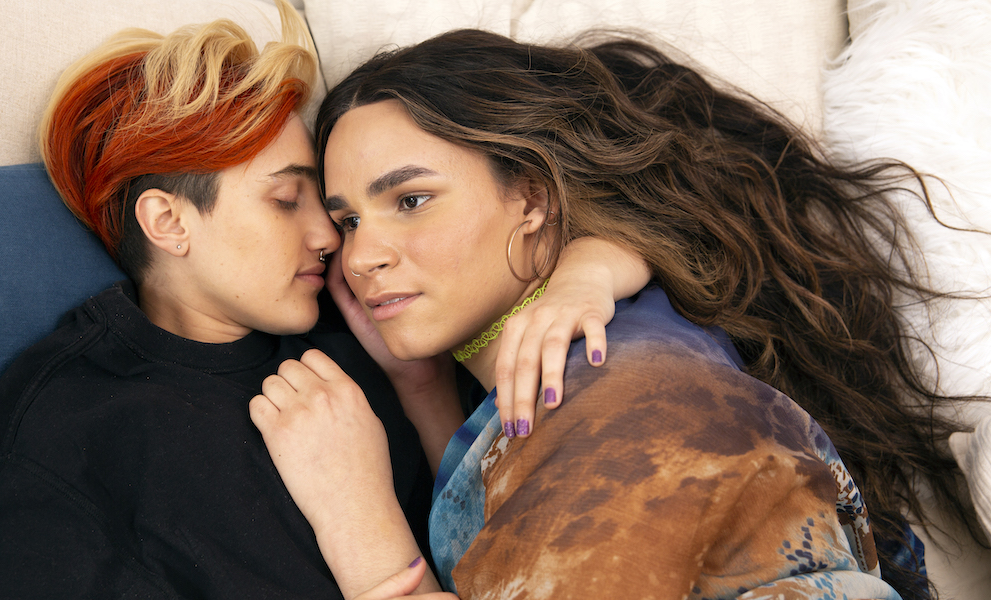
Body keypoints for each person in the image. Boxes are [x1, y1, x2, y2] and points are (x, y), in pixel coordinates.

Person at [0, 5, 645, 598]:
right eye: (285, 200)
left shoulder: (365, 316)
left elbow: (653, 212)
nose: (331, 236)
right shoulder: (64, 437)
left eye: (328, 205)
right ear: (168, 222)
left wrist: (427, 386)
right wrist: (358, 518)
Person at [251, 29, 985, 600]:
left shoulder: (624, 400)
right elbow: (513, 509)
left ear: (533, 198)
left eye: (411, 201)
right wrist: (423, 390)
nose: (361, 257)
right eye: (346, 222)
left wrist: (359, 523)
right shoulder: (625, 330)